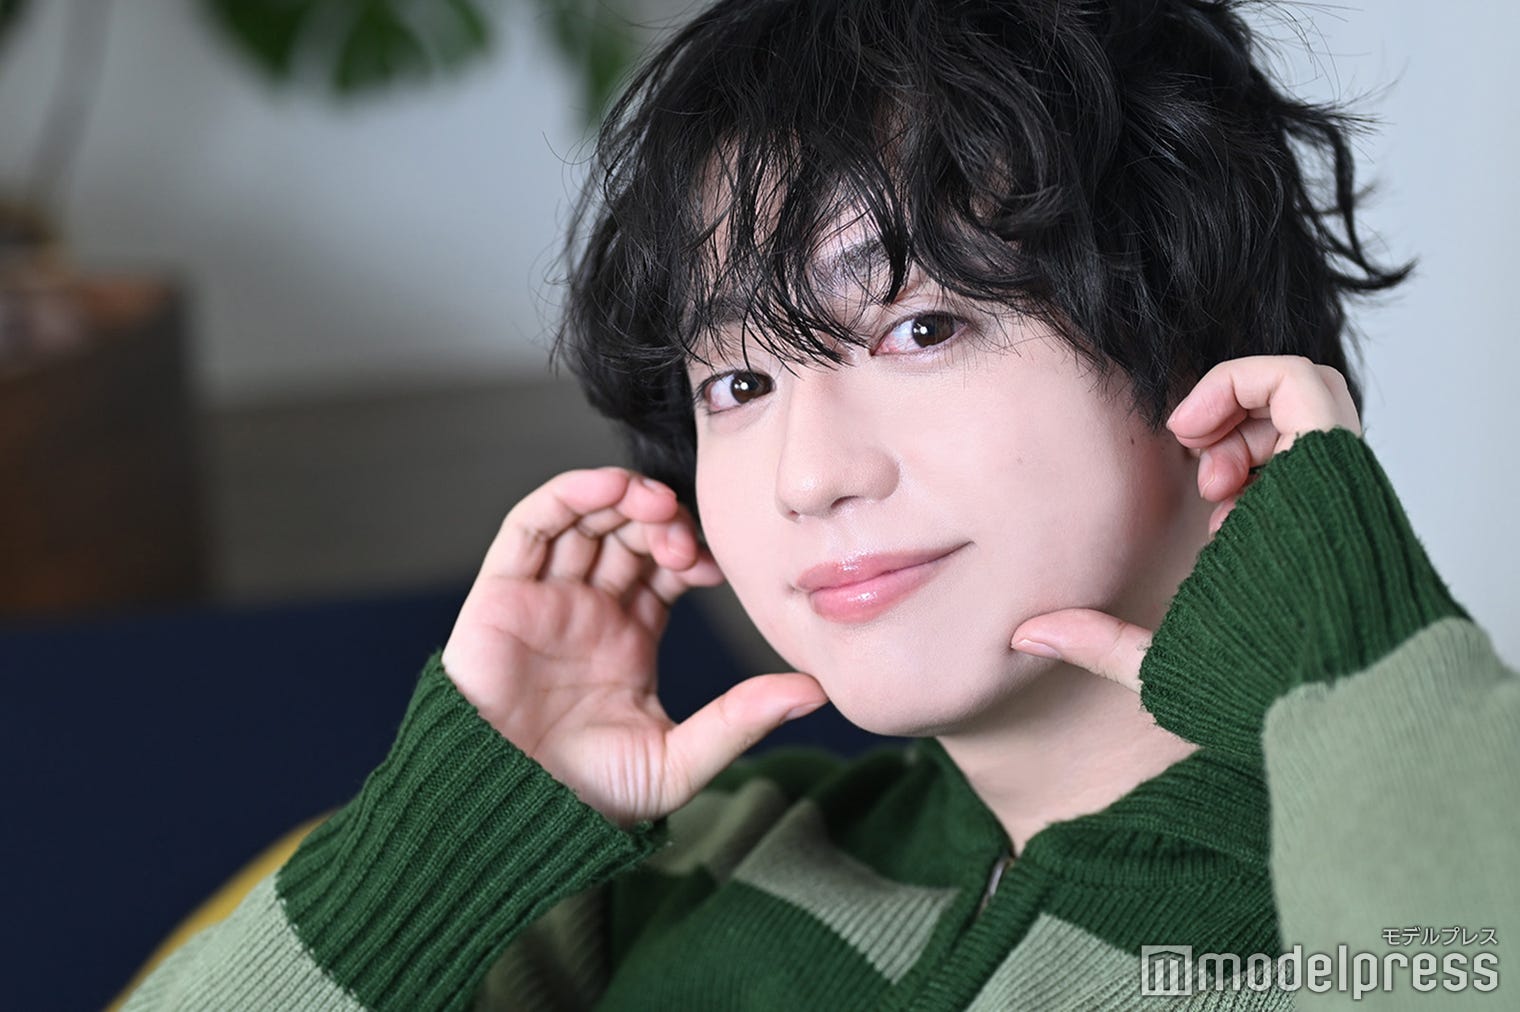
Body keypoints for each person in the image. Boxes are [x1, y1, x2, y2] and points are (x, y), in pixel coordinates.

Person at [121, 0, 1517, 1008]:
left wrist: (1364, 667)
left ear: (1203, 350)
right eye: (737, 384)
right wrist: (461, 824)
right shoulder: (691, 868)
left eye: (922, 328)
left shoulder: (1370, 918)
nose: (808, 474)